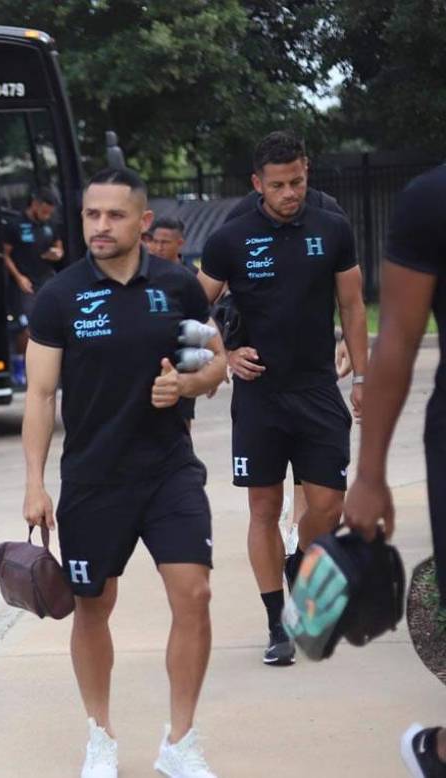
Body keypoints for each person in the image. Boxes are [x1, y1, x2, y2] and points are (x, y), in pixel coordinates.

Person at [23, 168, 226, 778]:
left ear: (142, 222)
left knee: (195, 594)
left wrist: (185, 383)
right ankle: (99, 737)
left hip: (169, 470)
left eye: (114, 216)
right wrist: (35, 482)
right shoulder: (59, 298)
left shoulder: (177, 288)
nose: (101, 226)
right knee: (93, 608)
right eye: (92, 215)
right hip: (93, 479)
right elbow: (39, 394)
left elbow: (215, 367)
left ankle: (180, 743)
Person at [198, 130, 369, 667]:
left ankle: (300, 563)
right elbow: (190, 307)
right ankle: (278, 622)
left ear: (306, 172)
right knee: (264, 506)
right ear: (257, 184)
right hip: (260, 396)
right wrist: (224, 356)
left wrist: (363, 375)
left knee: (327, 505)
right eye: (278, 185)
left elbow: (355, 306)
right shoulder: (231, 239)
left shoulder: (333, 229)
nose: (290, 192)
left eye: (297, 181)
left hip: (317, 388)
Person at [342, 164, 446, 778]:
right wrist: (370, 473)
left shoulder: (428, 197)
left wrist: (373, 474)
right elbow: (396, 343)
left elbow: (399, 343)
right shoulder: (432, 200)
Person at [4, 186, 65, 385]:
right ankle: (20, 367)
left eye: (50, 213)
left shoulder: (50, 225)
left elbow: (59, 247)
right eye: (45, 211)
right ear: (35, 205)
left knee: (51, 322)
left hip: (46, 278)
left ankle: (50, 367)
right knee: (26, 327)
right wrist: (19, 277)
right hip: (25, 281)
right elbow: (4, 254)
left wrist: (56, 254)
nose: (47, 216)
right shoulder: (15, 225)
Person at [148, 216, 200, 428]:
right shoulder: (141, 274)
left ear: (180, 243)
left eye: (165, 242)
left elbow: (204, 320)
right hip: (149, 356)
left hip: (183, 358)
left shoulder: (193, 277)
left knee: (182, 422)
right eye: (155, 241)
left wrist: (209, 365)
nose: (158, 247)